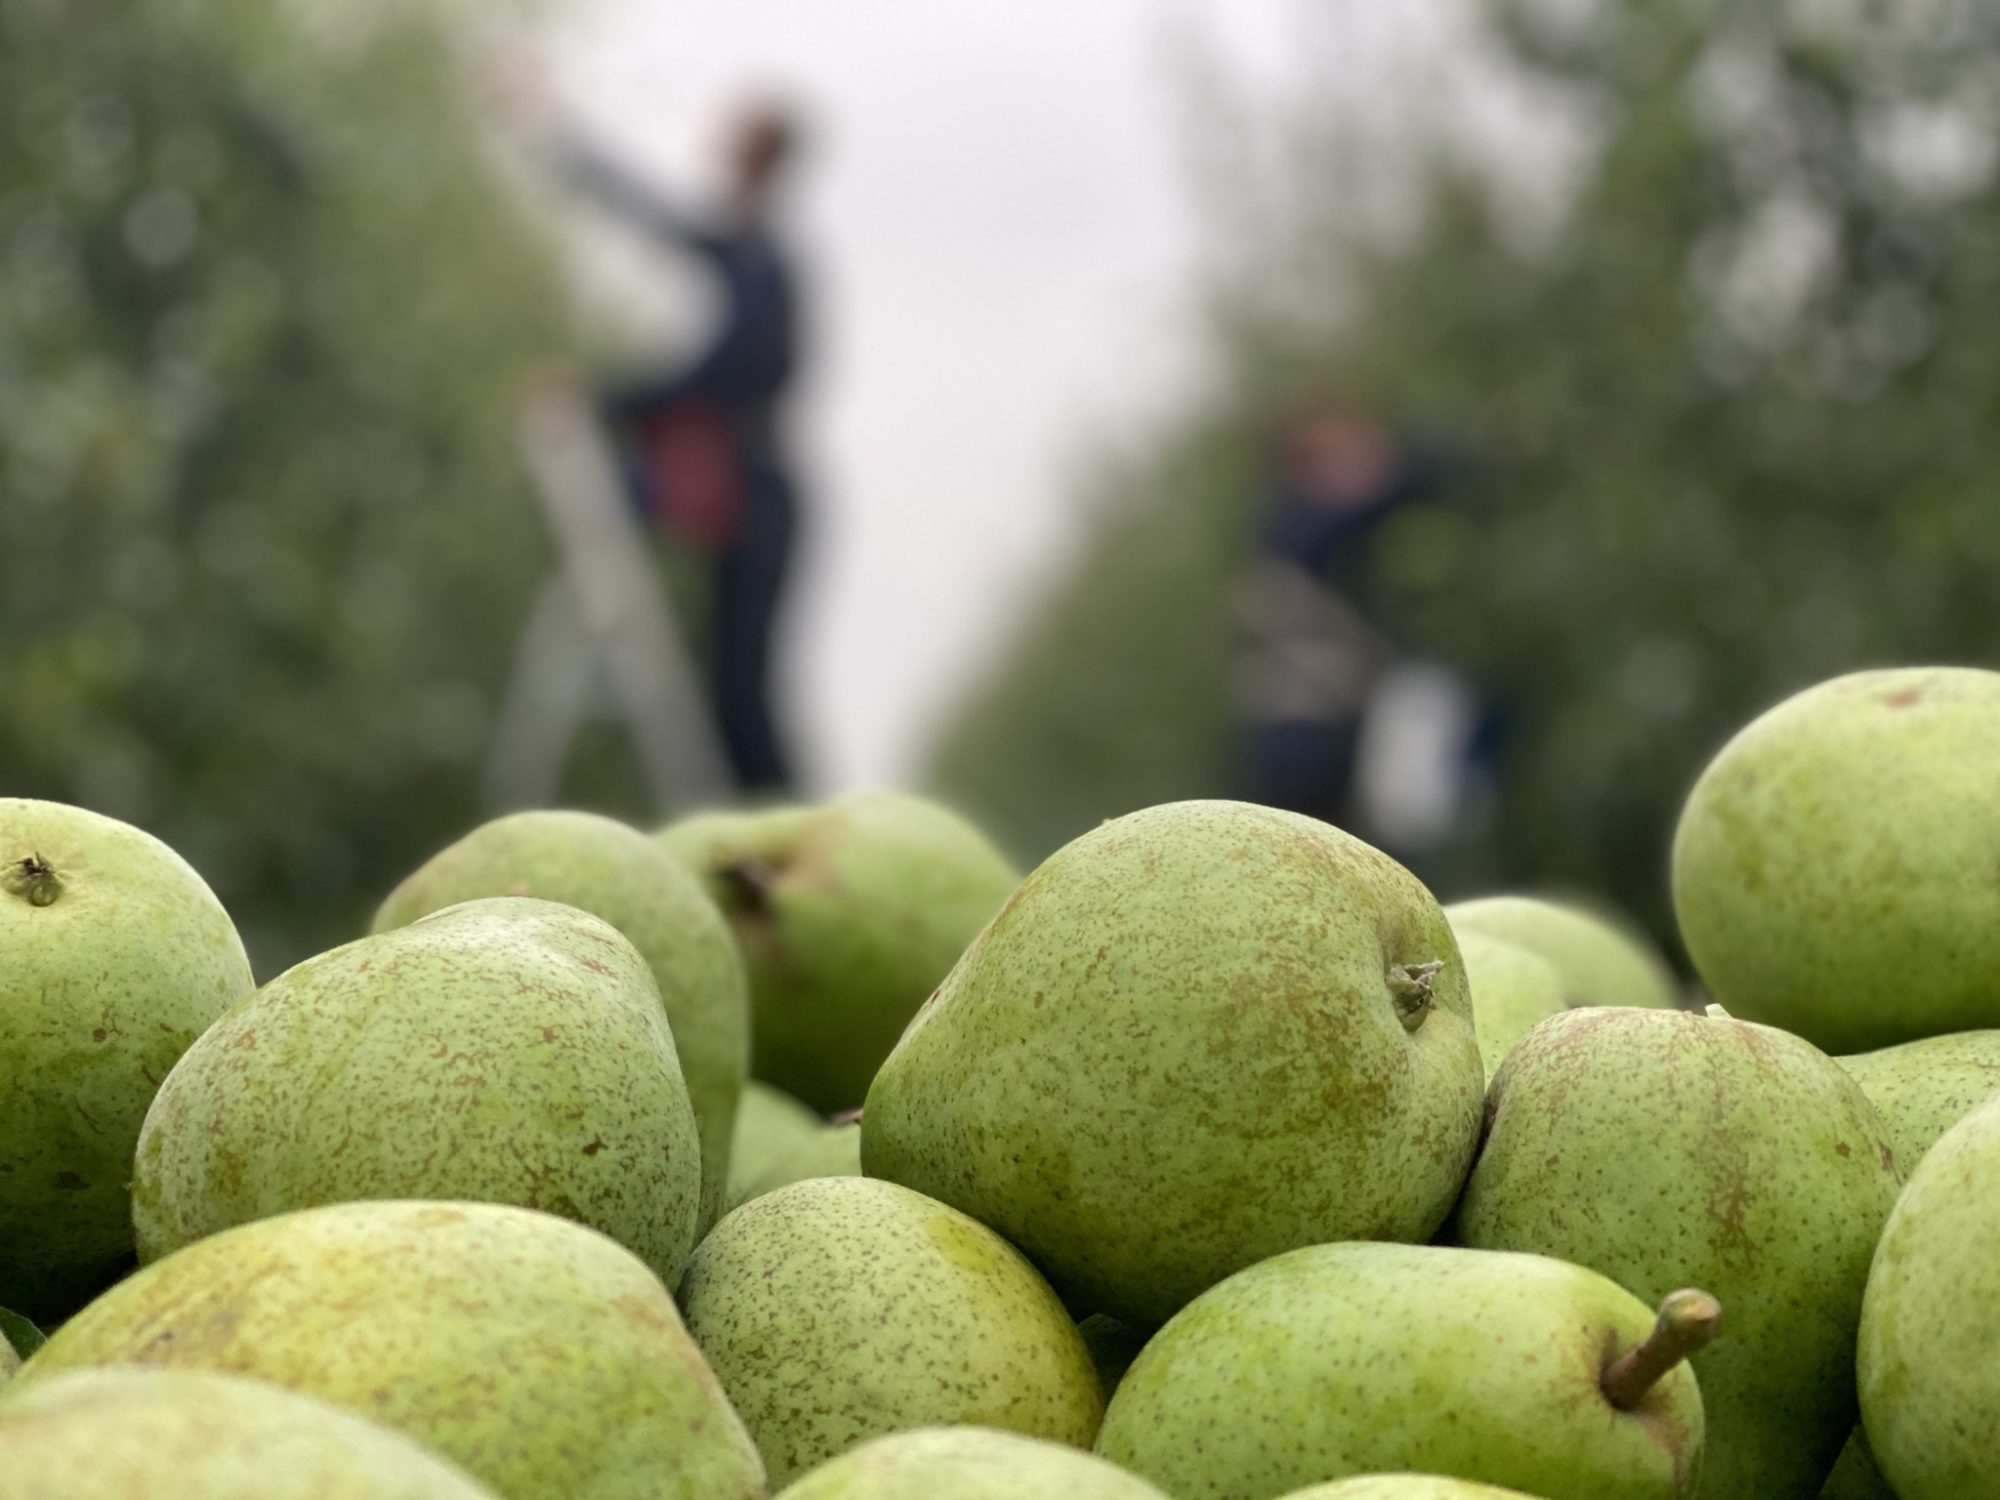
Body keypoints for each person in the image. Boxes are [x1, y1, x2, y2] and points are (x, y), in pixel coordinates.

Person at [514, 79, 808, 794]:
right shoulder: (748, 253)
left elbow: (719, 374)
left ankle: (796, 855)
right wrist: (562, 140)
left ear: (754, 159)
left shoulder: (764, 265)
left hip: (758, 497)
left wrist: (606, 399)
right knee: (733, 689)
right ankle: (773, 844)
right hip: (748, 490)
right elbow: (652, 214)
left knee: (743, 695)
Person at [1234, 402, 1456, 834]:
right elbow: (1386, 494)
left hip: (1331, 724)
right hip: (1300, 736)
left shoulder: (1298, 523)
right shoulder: (1296, 522)